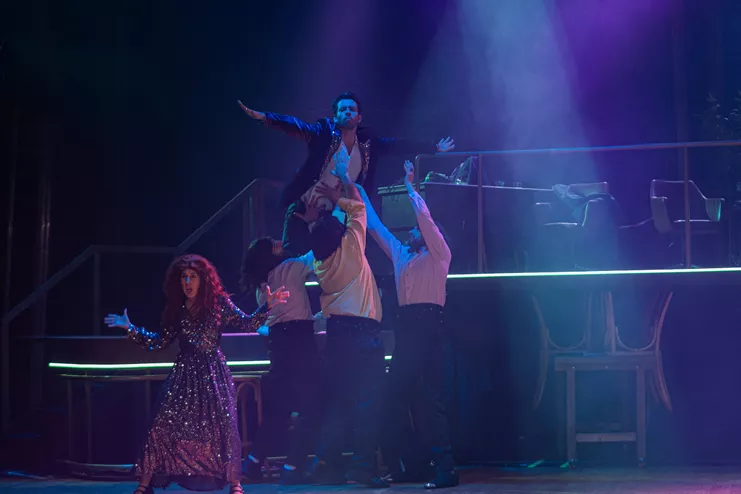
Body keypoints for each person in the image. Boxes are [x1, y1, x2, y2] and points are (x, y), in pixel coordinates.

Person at [103, 254, 289, 494]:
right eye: (184, 277)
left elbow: (247, 324)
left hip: (213, 371)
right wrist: (130, 328)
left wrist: (268, 306)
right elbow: (160, 341)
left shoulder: (219, 303)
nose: (188, 282)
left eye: (192, 276)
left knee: (224, 425)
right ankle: (144, 484)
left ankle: (235, 484)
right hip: (184, 373)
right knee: (161, 423)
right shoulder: (177, 309)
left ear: (203, 280)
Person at [237, 92, 455, 256]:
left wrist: (433, 147)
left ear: (359, 117)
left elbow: (396, 145)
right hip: (305, 206)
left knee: (333, 264)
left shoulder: (367, 143)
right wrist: (265, 118)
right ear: (335, 116)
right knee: (292, 260)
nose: (347, 112)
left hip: (336, 215)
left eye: (351, 109)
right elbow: (298, 127)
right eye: (342, 110)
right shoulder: (323, 134)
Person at [358, 161, 458, 489]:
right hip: (407, 331)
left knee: (430, 400)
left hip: (428, 329)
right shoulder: (402, 256)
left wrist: (410, 186)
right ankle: (413, 464)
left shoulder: (439, 255)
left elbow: (426, 222)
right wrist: (356, 190)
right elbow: (376, 228)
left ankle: (445, 468)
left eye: (416, 231)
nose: (411, 232)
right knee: (395, 399)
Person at [304, 153, 388, 488]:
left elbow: (341, 222)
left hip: (337, 338)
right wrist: (342, 183)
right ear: (340, 236)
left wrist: (324, 210)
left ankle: (325, 462)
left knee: (340, 402)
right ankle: (362, 469)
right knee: (368, 404)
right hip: (362, 336)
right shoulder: (351, 248)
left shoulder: (320, 263)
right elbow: (358, 208)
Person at [239, 236, 320, 485]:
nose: (281, 243)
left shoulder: (261, 286)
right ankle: (291, 467)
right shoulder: (290, 268)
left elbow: (264, 325)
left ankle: (252, 464)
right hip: (299, 341)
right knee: (312, 406)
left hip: (279, 344)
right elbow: (316, 253)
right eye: (276, 244)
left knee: (279, 410)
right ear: (271, 254)